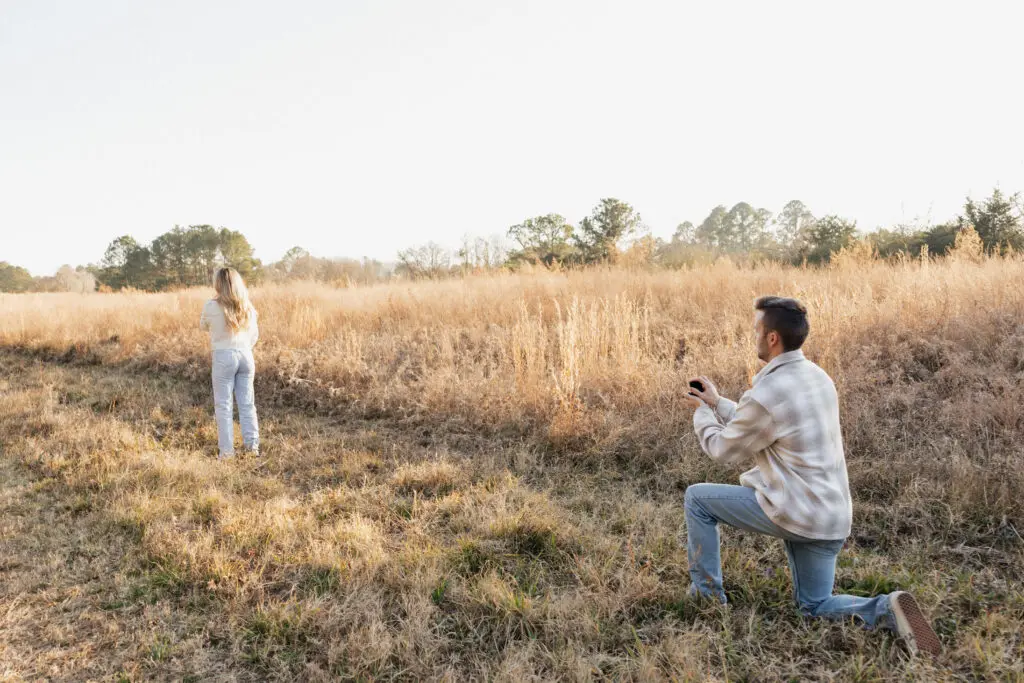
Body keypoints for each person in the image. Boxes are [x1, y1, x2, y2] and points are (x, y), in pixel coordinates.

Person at [683, 296, 941, 656]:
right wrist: (717, 402)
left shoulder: (767, 393)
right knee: (815, 606)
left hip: (796, 513)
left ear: (772, 338)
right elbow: (763, 419)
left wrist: (701, 414)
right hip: (831, 516)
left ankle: (707, 597)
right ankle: (885, 607)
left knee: (697, 498)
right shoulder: (817, 377)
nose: (753, 336)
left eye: (756, 329)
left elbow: (723, 449)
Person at [199, 267, 260, 458]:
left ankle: (226, 453)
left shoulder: (211, 306)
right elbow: (254, 336)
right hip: (246, 355)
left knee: (223, 406)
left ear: (218, 284)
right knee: (247, 403)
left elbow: (203, 326)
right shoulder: (247, 306)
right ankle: (252, 448)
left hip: (223, 356)